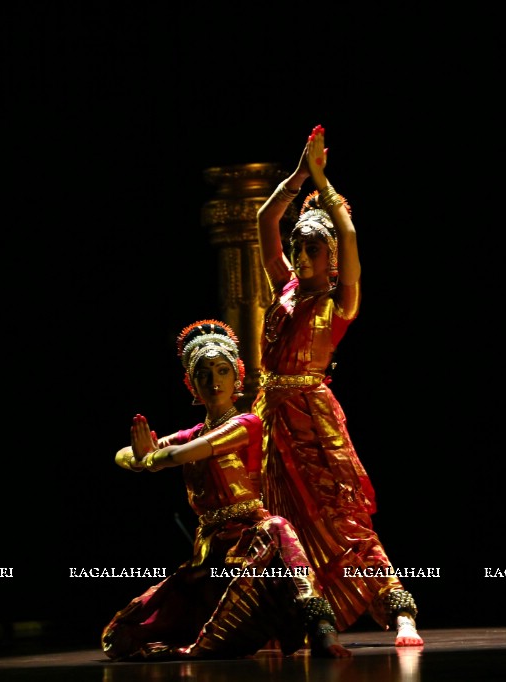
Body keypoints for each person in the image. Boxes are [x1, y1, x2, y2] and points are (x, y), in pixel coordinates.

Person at [254, 125, 424, 646]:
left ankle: (399, 612)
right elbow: (263, 220)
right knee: (282, 525)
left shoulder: (338, 303)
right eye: (297, 248)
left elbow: (348, 236)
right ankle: (310, 620)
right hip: (270, 416)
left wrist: (324, 183)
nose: (301, 258)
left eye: (311, 250)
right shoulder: (284, 286)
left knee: (341, 517)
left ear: (329, 257)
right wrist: (298, 175)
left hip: (312, 415)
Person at [102, 320, 350, 661]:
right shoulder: (191, 434)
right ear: (191, 384)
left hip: (250, 546)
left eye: (222, 370)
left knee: (278, 528)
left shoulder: (246, 424)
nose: (214, 380)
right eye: (204, 374)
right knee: (120, 636)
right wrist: (142, 457)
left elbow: (179, 454)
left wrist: (150, 459)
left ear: (237, 377)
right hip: (209, 555)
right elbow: (122, 455)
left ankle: (323, 630)